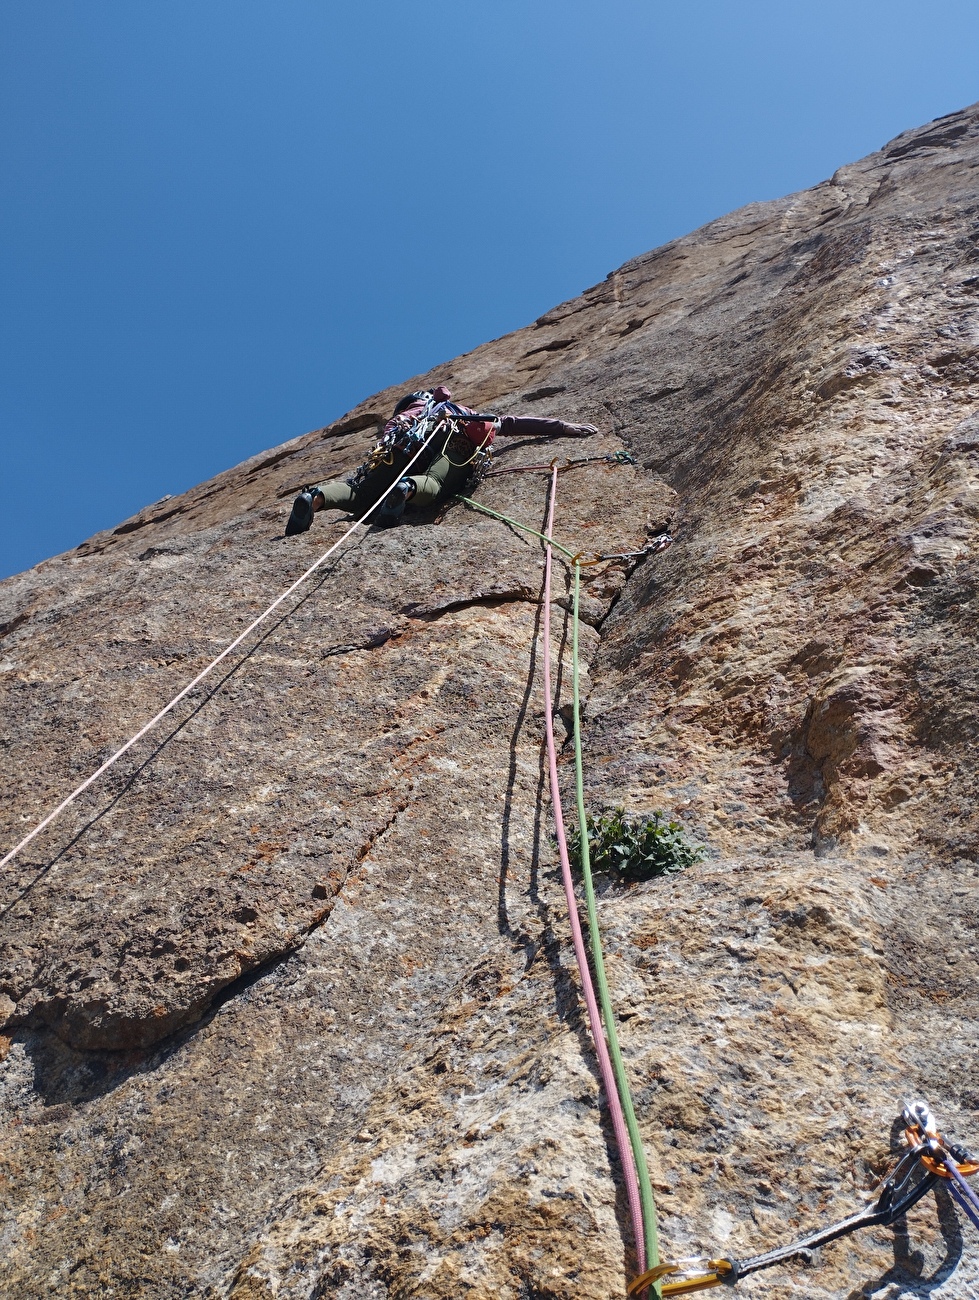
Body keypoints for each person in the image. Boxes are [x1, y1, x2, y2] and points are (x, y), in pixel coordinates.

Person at [285, 385, 598, 535]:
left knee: (359, 494)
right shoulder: (464, 413)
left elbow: (389, 435)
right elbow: (511, 423)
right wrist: (562, 427)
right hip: (453, 444)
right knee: (433, 483)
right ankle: (406, 490)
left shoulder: (408, 417)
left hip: (401, 450)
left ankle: (315, 498)